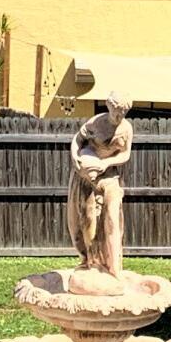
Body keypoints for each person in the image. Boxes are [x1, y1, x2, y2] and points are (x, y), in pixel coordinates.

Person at [65, 96, 134, 273]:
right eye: (117, 112)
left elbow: (125, 155)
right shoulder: (96, 122)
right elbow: (78, 140)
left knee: (112, 214)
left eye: (123, 113)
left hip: (109, 175)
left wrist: (106, 163)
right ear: (109, 107)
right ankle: (90, 260)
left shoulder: (126, 129)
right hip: (87, 175)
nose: (120, 116)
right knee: (87, 217)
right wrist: (75, 155)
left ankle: (113, 264)